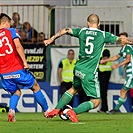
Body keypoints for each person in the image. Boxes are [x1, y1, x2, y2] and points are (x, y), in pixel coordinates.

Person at [44, 14, 132, 122]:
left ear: (88, 23)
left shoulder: (82, 32)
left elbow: (65, 30)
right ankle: (73, 112)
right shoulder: (103, 35)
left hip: (78, 69)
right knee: (96, 102)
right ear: (98, 24)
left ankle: (56, 109)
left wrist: (51, 39)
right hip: (90, 72)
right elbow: (122, 40)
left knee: (73, 89)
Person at [0, 13, 49, 122]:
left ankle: (11, 111)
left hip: (3, 73)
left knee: (16, 92)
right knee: (35, 86)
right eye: (10, 23)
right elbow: (18, 46)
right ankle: (47, 111)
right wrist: (25, 62)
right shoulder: (11, 31)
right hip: (16, 68)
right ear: (6, 23)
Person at [100, 32, 133, 114]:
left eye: (123, 38)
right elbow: (116, 57)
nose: (121, 40)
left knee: (123, 91)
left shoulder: (128, 47)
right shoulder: (123, 49)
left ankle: (115, 110)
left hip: (131, 73)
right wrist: (105, 60)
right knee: (123, 91)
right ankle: (115, 109)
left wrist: (117, 65)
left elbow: (128, 59)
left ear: (126, 39)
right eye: (120, 38)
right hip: (130, 73)